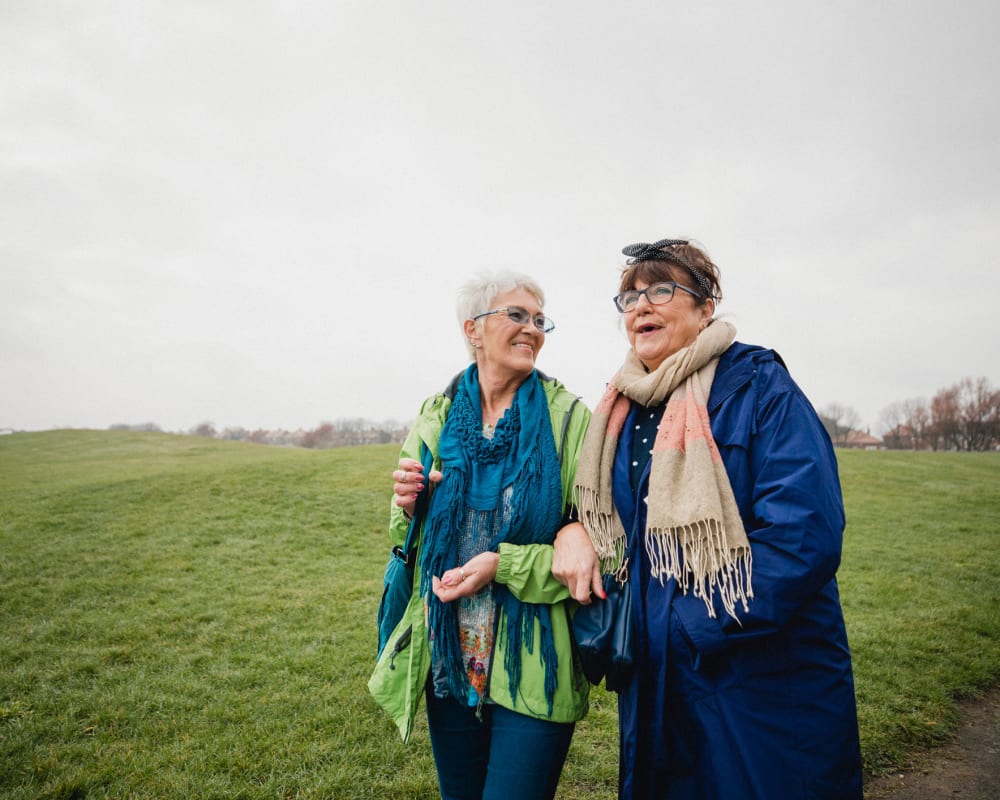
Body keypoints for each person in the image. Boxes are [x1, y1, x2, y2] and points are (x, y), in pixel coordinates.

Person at [552, 238, 863, 799]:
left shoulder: (759, 386)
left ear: (705, 308)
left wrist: (689, 625)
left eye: (662, 289)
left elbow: (804, 535)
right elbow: (614, 512)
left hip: (758, 676)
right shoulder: (622, 407)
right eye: (630, 296)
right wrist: (574, 524)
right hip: (660, 680)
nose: (642, 305)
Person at [368, 271, 592, 800]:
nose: (532, 329)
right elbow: (405, 540)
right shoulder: (437, 415)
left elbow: (604, 549)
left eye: (540, 320)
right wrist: (411, 505)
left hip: (534, 659)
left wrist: (505, 565)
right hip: (449, 659)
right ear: (473, 329)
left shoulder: (569, 421)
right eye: (517, 315)